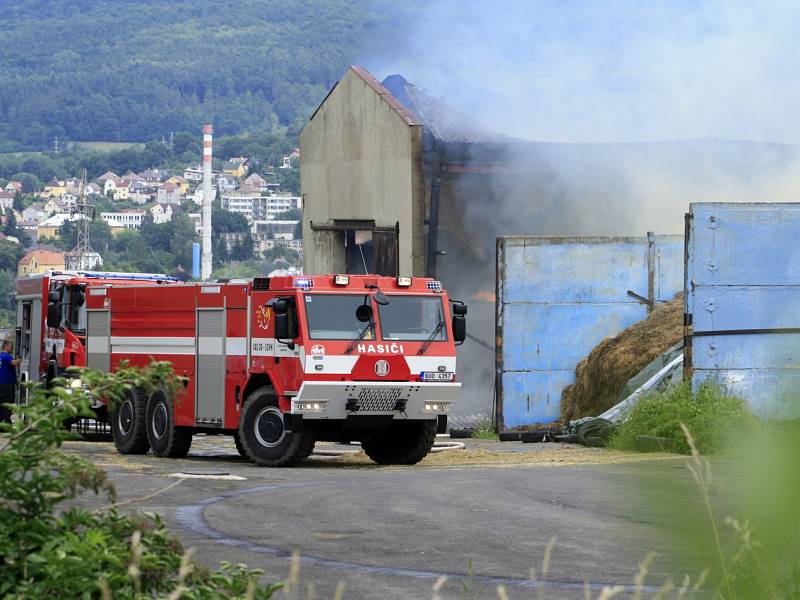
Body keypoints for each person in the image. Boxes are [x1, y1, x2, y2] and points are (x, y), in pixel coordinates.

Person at [0, 340, 20, 424]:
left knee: (1, 403)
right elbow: (14, 363)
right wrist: (19, 359)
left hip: (2, 384)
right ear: (6, 346)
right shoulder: (6, 356)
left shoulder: (1, 356)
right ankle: (6, 422)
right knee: (8, 403)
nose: (12, 348)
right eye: (11, 346)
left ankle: (1, 422)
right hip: (7, 385)